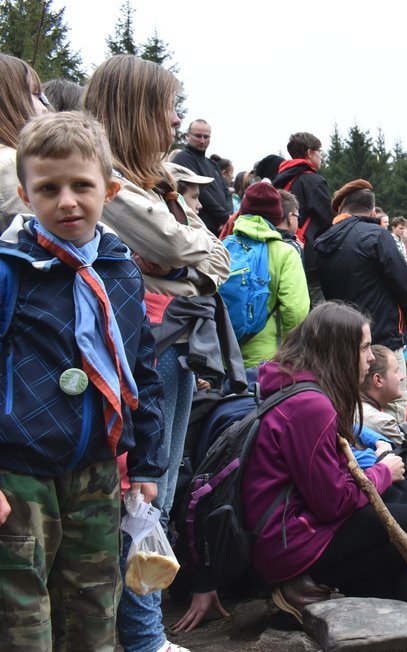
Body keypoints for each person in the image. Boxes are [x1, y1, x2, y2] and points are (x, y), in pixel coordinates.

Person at [0, 111, 166, 650]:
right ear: (26, 196)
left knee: (97, 598)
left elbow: (140, 370)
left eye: (81, 185)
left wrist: (146, 464)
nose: (66, 200)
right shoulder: (9, 269)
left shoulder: (119, 270)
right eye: (48, 188)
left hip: (95, 467)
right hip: (18, 470)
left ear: (110, 190)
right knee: (20, 607)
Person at [84, 55, 230, 652]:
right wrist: (180, 255)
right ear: (138, 111)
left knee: (160, 490)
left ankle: (142, 631)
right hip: (152, 341)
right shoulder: (111, 180)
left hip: (177, 339)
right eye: (167, 108)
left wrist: (182, 259)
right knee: (145, 492)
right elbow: (176, 245)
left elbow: (214, 262)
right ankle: (141, 636)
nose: (174, 121)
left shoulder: (156, 184)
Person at [242, 303, 407, 620]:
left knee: (395, 501)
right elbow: (332, 503)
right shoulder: (311, 406)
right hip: (288, 543)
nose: (371, 358)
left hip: (283, 528)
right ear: (339, 349)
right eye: (365, 347)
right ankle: (309, 584)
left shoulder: (292, 384)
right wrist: (381, 472)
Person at [315, 179, 407, 421]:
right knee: (392, 413)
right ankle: (392, 458)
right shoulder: (377, 236)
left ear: (343, 209)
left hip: (344, 343)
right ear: (373, 212)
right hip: (382, 341)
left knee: (353, 411)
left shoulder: (322, 241)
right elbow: (405, 284)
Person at [226, 181, 310, 368]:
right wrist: (291, 353)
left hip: (223, 356)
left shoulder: (223, 247)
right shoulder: (285, 252)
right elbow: (296, 311)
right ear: (277, 215)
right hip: (267, 360)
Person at [272, 132, 334, 304]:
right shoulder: (312, 180)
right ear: (309, 153)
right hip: (309, 253)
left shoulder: (280, 180)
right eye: (319, 151)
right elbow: (327, 218)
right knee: (316, 303)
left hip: (280, 247)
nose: (321, 155)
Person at [0, 54, 46, 229]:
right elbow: (48, 243)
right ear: (8, 101)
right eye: (34, 94)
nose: (43, 108)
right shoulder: (11, 164)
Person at [171, 119, 232, 234]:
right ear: (188, 135)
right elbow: (201, 193)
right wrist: (224, 217)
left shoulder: (212, 164)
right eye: (198, 136)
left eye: (206, 137)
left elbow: (227, 193)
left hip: (221, 227)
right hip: (201, 226)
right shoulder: (183, 158)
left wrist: (227, 217)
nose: (202, 140)